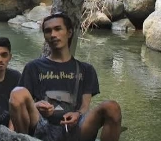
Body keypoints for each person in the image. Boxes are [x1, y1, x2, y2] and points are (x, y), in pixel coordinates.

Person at [9, 12, 122, 141]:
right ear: (45, 36)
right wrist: (36, 106)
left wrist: (77, 115)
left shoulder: (86, 69)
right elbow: (19, 103)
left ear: (69, 33)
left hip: (75, 128)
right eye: (48, 31)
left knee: (112, 107)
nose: (53, 35)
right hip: (42, 125)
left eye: (58, 29)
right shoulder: (33, 67)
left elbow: (85, 107)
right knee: (17, 93)